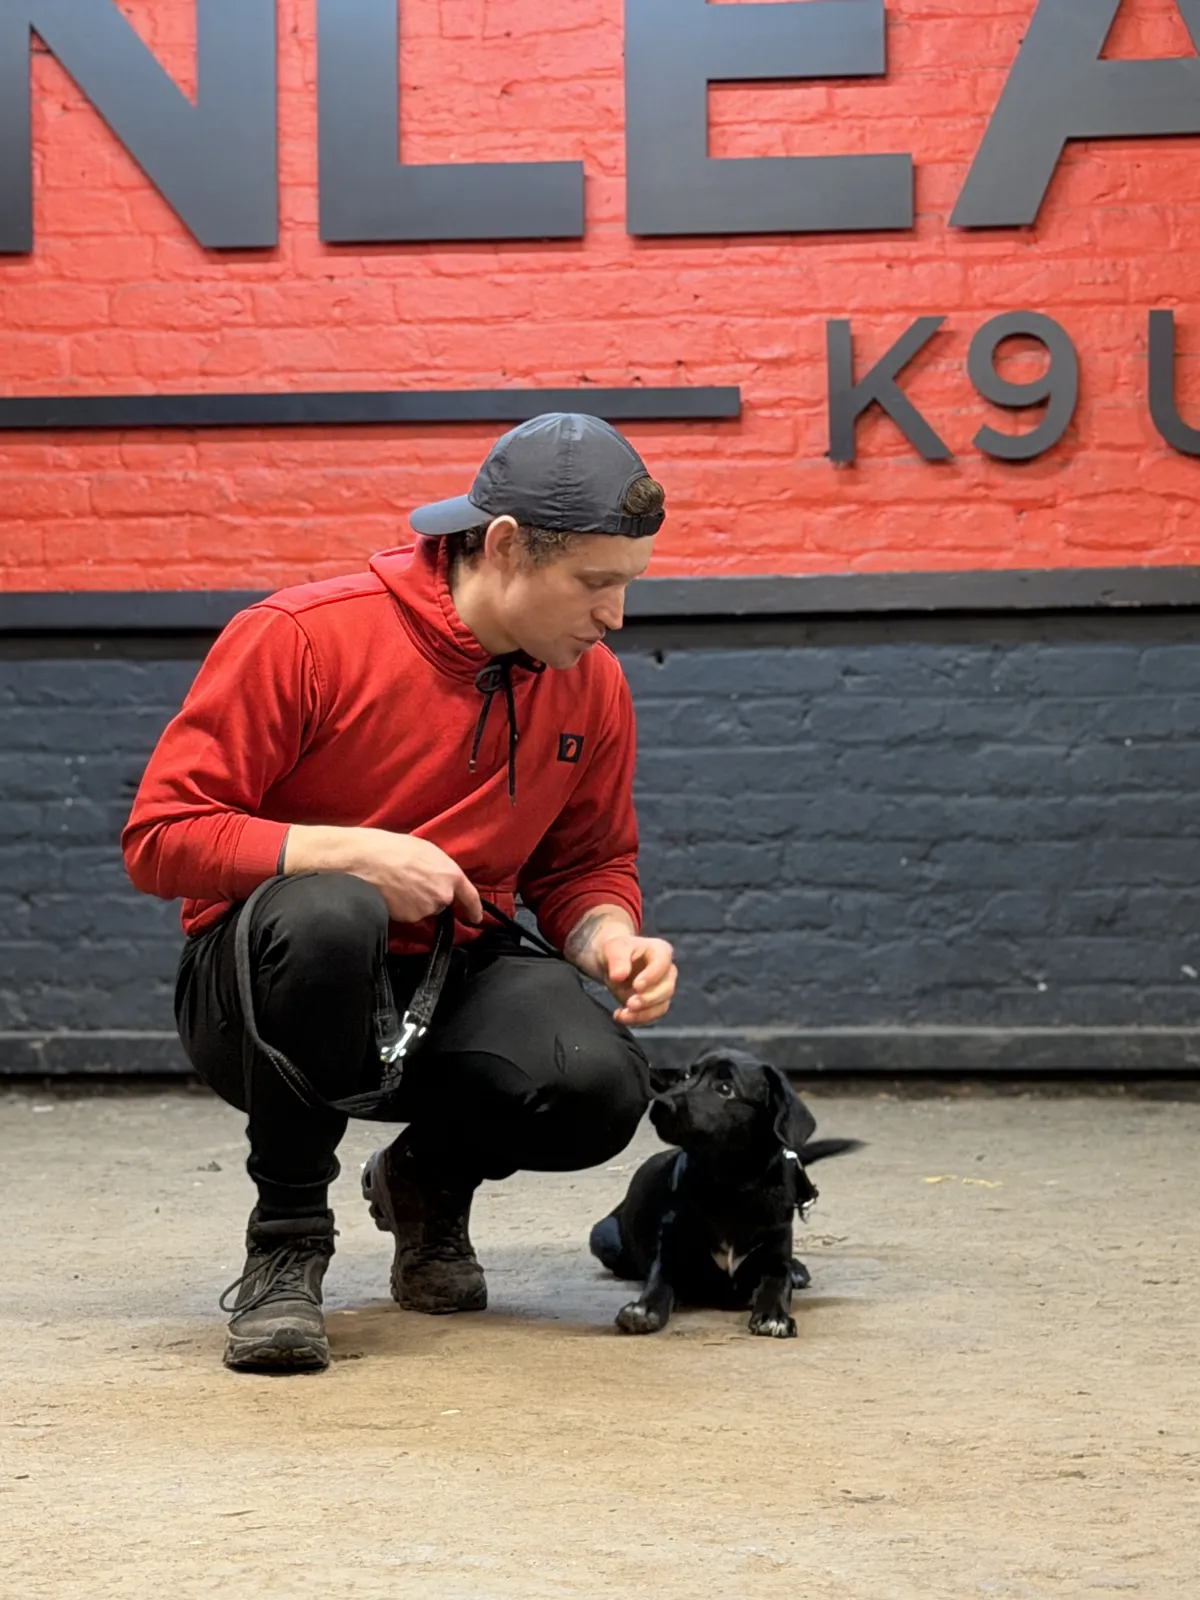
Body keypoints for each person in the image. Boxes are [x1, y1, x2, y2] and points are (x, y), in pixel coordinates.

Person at [121, 413, 677, 1373]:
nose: (615, 615)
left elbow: (584, 865)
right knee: (336, 909)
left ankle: (424, 1179)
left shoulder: (589, 684)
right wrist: (351, 853)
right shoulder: (299, 637)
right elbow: (160, 839)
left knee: (599, 1083)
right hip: (265, 986)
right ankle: (286, 1245)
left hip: (450, 973)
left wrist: (609, 937)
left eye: (626, 584)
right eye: (596, 583)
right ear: (504, 547)